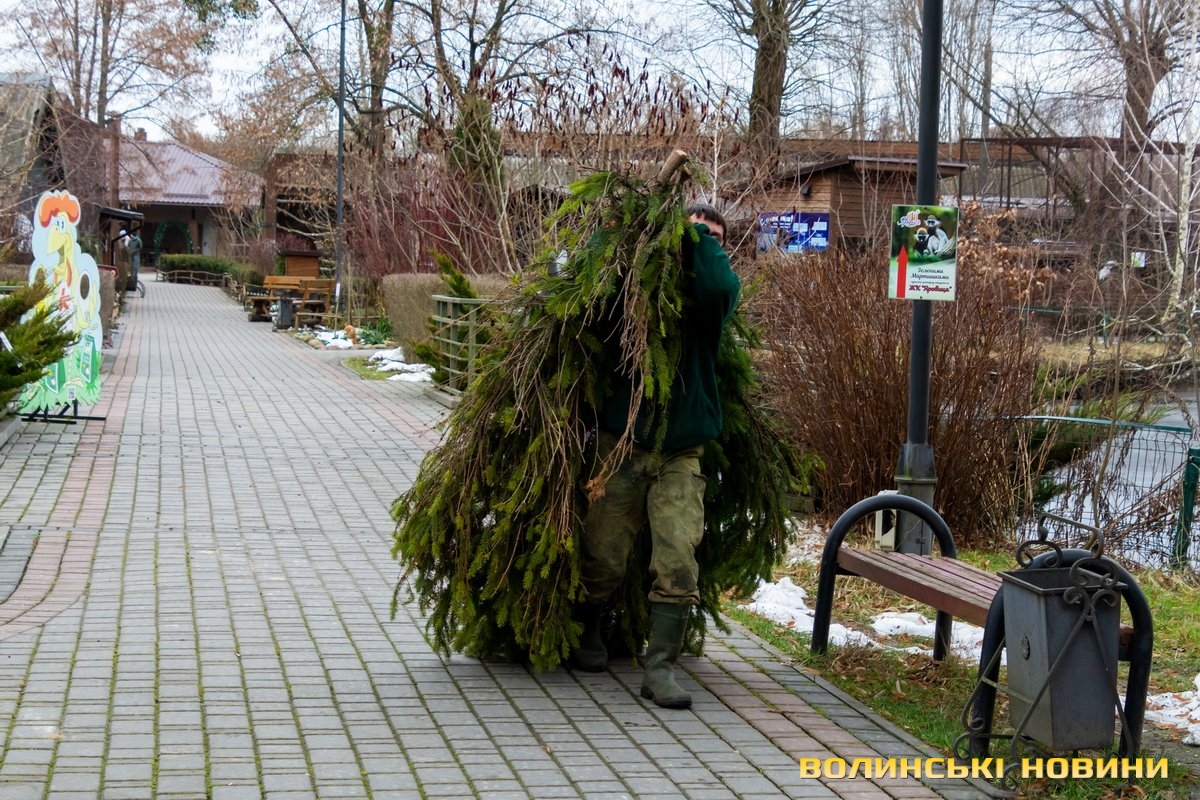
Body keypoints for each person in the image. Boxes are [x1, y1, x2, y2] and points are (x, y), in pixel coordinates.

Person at [572, 203, 741, 710]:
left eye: (713, 237)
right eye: (692, 232)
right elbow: (589, 291)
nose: (701, 241)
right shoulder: (636, 290)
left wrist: (697, 239)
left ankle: (660, 666)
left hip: (681, 449)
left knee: (678, 559)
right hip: (622, 442)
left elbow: (718, 288)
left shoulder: (709, 303)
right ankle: (587, 628)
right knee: (603, 555)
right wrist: (616, 235)